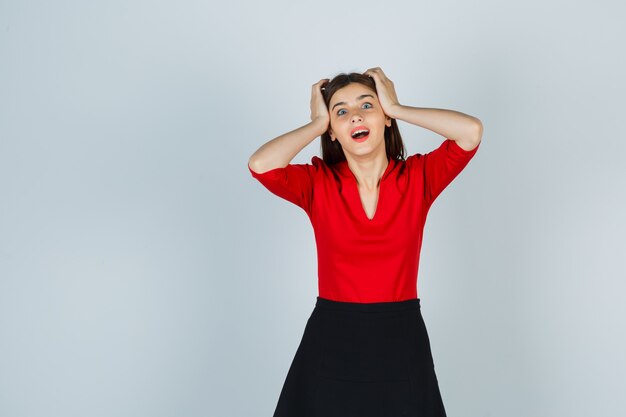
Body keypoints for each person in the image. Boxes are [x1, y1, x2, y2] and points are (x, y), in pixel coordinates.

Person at [248, 67, 482, 417]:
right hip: (332, 337)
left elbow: (471, 132)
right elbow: (260, 164)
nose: (355, 115)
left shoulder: (418, 178)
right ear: (333, 129)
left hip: (400, 338)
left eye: (367, 105)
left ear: (384, 117)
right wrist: (315, 124)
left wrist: (397, 107)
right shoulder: (318, 183)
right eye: (340, 111)